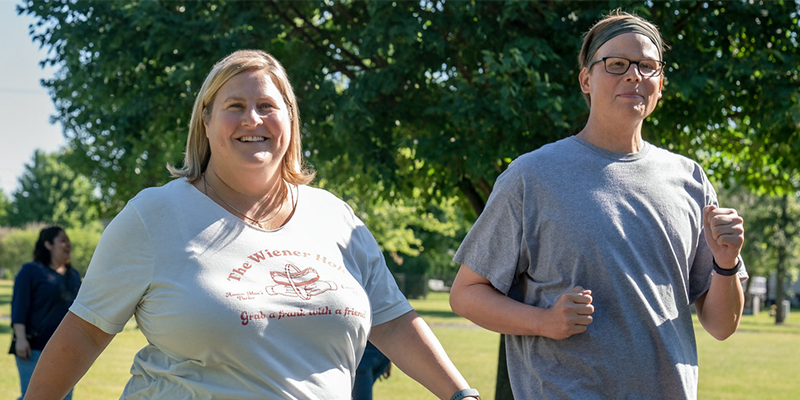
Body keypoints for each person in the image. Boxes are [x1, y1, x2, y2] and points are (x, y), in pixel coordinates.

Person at [24, 49, 480, 400]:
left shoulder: (335, 217)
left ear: (290, 121)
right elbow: (85, 331)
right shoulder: (154, 216)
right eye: (234, 105)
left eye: (267, 105)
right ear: (205, 121)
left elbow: (394, 321)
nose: (252, 119)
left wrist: (462, 395)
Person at [449, 10, 746, 400]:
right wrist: (544, 321)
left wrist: (727, 263)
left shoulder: (689, 180)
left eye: (647, 66)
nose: (633, 75)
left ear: (660, 83)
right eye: (617, 64)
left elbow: (721, 325)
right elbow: (466, 293)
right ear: (586, 79)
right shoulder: (532, 176)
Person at [11, 226, 81, 400]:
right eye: (62, 240)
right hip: (34, 348)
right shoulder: (30, 271)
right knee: (34, 397)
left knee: (63, 397)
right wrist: (20, 338)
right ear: (48, 244)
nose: (68, 244)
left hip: (66, 349)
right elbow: (19, 306)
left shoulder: (73, 276)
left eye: (68, 240)